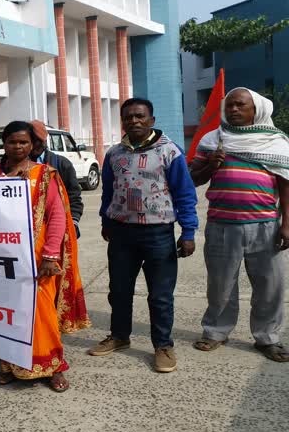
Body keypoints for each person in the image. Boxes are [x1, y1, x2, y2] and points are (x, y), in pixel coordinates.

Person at [89, 98, 198, 373]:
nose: (134, 121)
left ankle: (163, 345)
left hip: (158, 233)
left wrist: (188, 231)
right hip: (121, 233)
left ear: (151, 120)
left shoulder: (169, 152)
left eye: (140, 116)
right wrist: (106, 221)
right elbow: (108, 192)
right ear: (123, 121)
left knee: (160, 295)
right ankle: (119, 336)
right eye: (128, 117)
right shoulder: (114, 154)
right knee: (119, 290)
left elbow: (185, 194)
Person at [0, 121, 89, 391]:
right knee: (9, 311)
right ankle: (9, 365)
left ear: (32, 145)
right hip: (0, 256)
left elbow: (57, 217)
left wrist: (51, 256)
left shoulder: (44, 174)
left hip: (37, 255)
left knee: (42, 312)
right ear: (3, 144)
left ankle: (52, 366)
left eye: (23, 142)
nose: (17, 147)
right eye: (12, 142)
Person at [190, 88, 289, 362]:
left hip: (266, 225)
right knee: (220, 284)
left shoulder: (277, 142)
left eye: (240, 105)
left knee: (270, 285)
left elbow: (285, 184)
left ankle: (267, 338)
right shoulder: (213, 140)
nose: (233, 110)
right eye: (229, 105)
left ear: (256, 109)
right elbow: (192, 179)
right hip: (222, 225)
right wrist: (210, 166)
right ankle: (216, 332)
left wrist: (287, 224)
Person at [29, 120, 84, 235]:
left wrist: (73, 222)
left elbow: (74, 196)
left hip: (55, 231)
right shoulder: (13, 168)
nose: (34, 144)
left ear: (45, 140)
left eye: (38, 140)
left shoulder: (62, 165)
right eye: (30, 140)